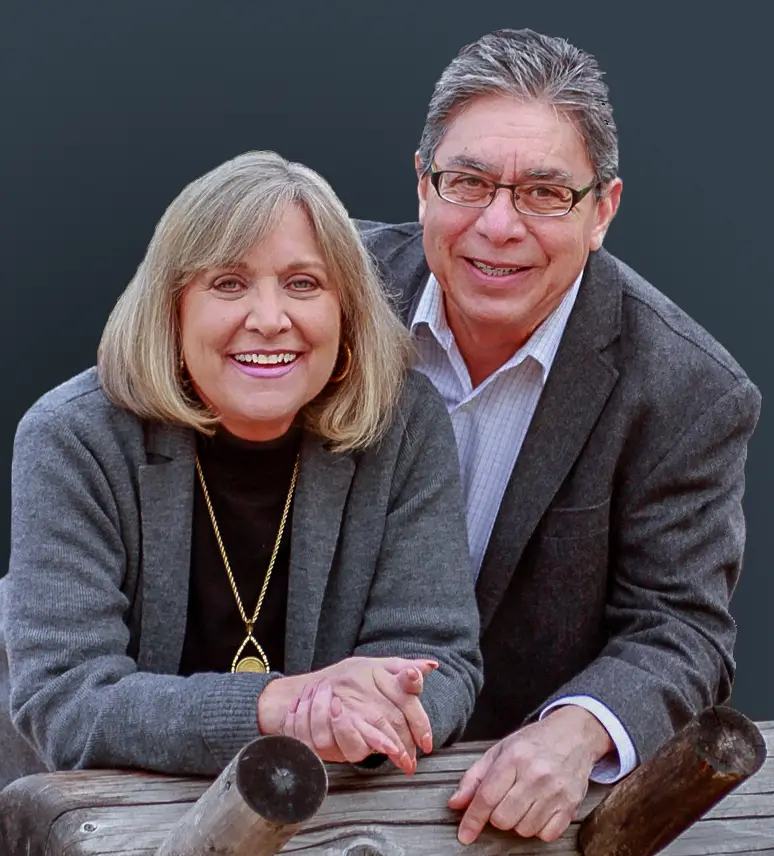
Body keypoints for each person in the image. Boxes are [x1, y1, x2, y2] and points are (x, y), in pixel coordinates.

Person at [353, 27, 761, 844]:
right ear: (424, 185)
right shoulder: (321, 296)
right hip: (283, 751)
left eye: (544, 193)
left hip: (500, 804)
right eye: (467, 181)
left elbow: (682, 625)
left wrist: (575, 732)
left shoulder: (688, 390)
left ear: (602, 210)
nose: (498, 226)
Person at [0, 151, 483, 785]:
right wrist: (276, 706)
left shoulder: (403, 424)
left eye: (303, 283)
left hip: (319, 814)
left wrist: (365, 711)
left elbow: (437, 659)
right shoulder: (72, 437)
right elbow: (67, 701)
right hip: (86, 820)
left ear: (347, 310)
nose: (269, 319)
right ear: (173, 311)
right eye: (228, 283)